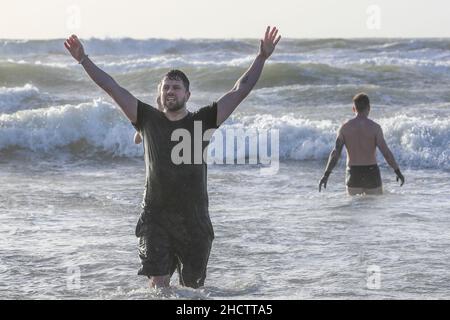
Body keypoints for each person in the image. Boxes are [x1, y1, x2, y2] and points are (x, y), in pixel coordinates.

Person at [64, 26, 281, 288]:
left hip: (195, 221)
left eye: (176, 88)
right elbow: (111, 87)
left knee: (191, 292)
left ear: (187, 95)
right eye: (166, 87)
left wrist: (262, 58)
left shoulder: (203, 121)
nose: (170, 91)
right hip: (155, 217)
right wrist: (84, 59)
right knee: (159, 286)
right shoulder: (145, 118)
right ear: (160, 94)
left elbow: (240, 89)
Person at [319, 93, 405, 195]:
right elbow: (386, 153)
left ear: (353, 109)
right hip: (371, 172)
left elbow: (335, 153)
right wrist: (397, 171)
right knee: (374, 209)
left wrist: (326, 174)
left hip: (353, 173)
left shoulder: (344, 128)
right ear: (369, 108)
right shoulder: (375, 128)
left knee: (354, 207)